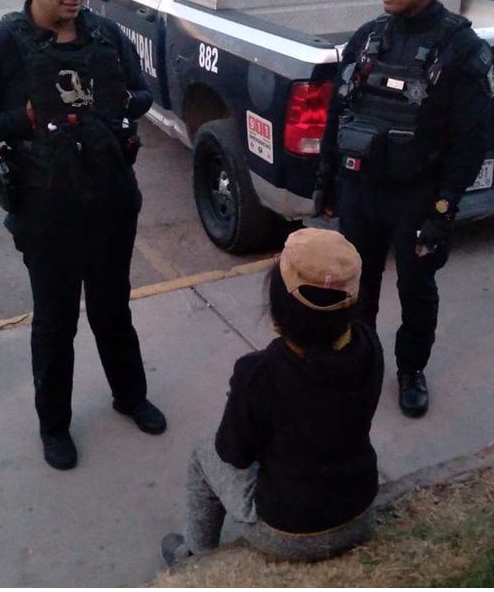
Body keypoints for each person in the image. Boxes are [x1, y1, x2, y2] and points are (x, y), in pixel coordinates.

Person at [0, 0, 165, 471]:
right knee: (56, 320)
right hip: (46, 209)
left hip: (111, 200)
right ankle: (54, 426)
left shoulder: (107, 36)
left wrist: (116, 108)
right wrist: (25, 119)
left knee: (113, 308)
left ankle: (130, 396)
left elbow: (144, 93)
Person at [312, 0, 494, 418]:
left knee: (416, 292)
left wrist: (445, 206)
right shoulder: (369, 38)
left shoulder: (460, 49)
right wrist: (325, 182)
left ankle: (411, 371)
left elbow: (471, 138)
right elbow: (338, 113)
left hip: (417, 197)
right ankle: (360, 366)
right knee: (356, 288)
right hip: (359, 192)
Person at [160, 228, 384, 565]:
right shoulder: (369, 344)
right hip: (360, 511)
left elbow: (232, 453)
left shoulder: (258, 374)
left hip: (291, 533)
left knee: (203, 454)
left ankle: (196, 559)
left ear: (279, 303)